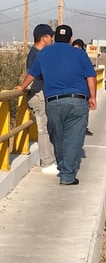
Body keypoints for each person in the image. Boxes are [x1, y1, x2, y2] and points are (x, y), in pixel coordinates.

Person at [15, 24, 97, 185]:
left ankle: (62, 165)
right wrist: (93, 97)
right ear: (71, 39)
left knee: (57, 136)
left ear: (55, 37)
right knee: (74, 138)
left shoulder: (44, 53)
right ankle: (68, 175)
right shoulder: (79, 53)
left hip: (53, 102)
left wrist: (22, 87)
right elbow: (91, 76)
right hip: (77, 100)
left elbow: (32, 73)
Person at [19, 24, 58, 174]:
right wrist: (22, 86)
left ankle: (50, 159)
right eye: (50, 36)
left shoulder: (38, 53)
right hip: (38, 94)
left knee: (48, 127)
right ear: (44, 38)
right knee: (43, 128)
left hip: (42, 93)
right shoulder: (36, 54)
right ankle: (47, 163)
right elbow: (36, 73)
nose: (52, 39)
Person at [72, 38, 93, 136]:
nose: (76, 50)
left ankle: (83, 127)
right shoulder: (69, 58)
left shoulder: (84, 58)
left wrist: (92, 96)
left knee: (84, 111)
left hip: (83, 90)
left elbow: (90, 77)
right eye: (74, 47)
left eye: (78, 48)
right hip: (72, 90)